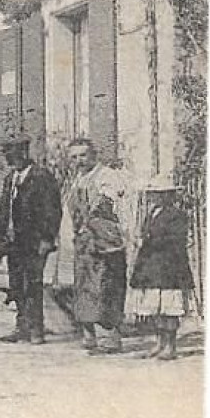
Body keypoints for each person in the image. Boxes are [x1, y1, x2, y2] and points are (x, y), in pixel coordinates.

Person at [0, 133, 62, 345]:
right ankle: (21, 326)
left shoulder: (41, 177)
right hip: (14, 243)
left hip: (34, 242)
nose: (7, 159)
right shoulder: (10, 179)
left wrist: (47, 239)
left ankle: (36, 328)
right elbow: (4, 210)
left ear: (23, 152)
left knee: (33, 284)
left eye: (10, 154)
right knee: (16, 284)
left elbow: (52, 210)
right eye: (5, 154)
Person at [64, 138, 130, 354]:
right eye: (74, 157)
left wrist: (95, 209)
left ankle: (109, 338)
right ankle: (89, 335)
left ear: (93, 155)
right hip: (84, 242)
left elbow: (109, 201)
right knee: (85, 287)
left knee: (105, 286)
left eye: (83, 155)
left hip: (105, 241)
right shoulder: (77, 180)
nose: (79, 161)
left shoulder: (106, 176)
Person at [127, 180, 195, 361]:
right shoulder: (151, 214)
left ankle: (170, 345)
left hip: (169, 267)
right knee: (155, 307)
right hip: (152, 266)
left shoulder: (177, 215)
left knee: (169, 308)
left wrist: (148, 241)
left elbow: (174, 240)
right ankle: (159, 342)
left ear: (169, 195)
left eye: (160, 193)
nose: (155, 197)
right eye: (154, 193)